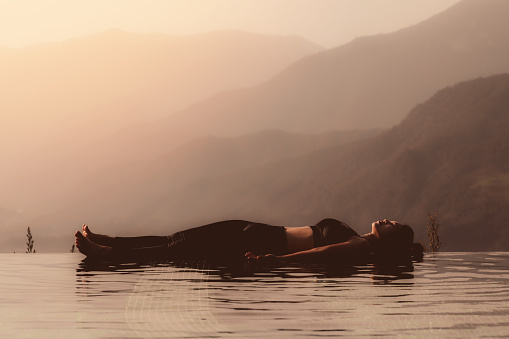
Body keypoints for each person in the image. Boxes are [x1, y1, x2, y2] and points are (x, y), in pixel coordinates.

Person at [74, 218, 424, 265]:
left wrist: (273, 260)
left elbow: (322, 251)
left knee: (175, 251)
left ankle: (107, 253)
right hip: (261, 230)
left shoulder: (362, 246)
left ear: (390, 239)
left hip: (267, 242)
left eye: (392, 224)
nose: (386, 219)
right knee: (176, 239)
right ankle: (111, 241)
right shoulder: (359, 235)